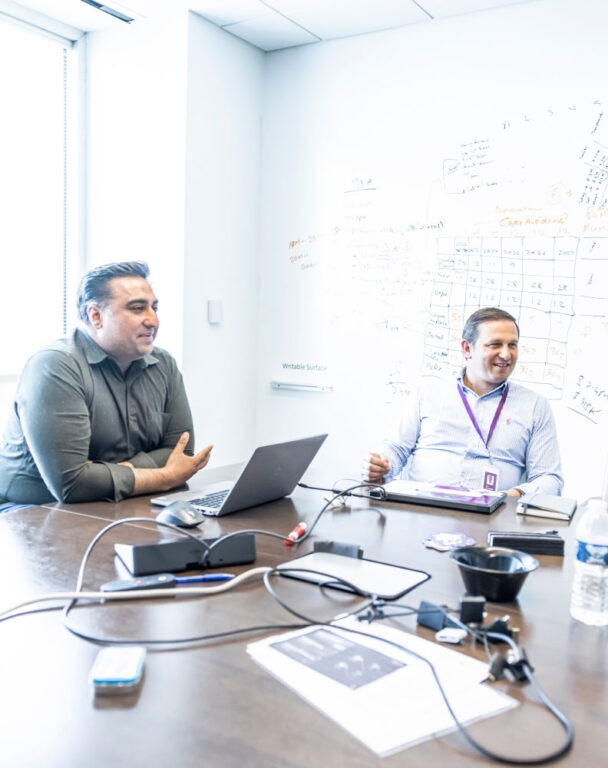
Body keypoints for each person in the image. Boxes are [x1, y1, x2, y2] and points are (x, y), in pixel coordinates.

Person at [0, 261, 212, 506]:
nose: (153, 320)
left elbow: (181, 454)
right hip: (32, 512)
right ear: (96, 316)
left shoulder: (163, 363)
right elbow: (72, 485)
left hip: (120, 501)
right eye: (137, 308)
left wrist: (105, 473)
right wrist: (164, 477)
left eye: (154, 308)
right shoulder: (54, 366)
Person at [365, 307, 563, 497]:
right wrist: (380, 465)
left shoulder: (535, 406)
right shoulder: (428, 393)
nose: (506, 354)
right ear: (467, 348)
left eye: (512, 345)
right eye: (495, 344)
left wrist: (513, 496)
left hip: (494, 517)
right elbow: (396, 449)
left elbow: (549, 479)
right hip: (422, 509)